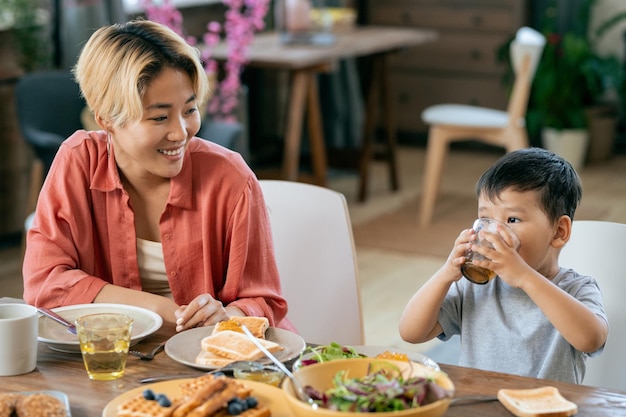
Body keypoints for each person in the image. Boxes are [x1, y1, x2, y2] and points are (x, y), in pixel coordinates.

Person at [22, 19, 294, 333]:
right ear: (107, 119)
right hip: (118, 357)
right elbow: (43, 284)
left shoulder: (231, 179)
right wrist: (156, 307)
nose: (181, 133)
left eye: (190, 110)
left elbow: (262, 300)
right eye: (160, 117)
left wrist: (227, 317)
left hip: (217, 356)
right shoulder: (78, 161)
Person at [399, 148, 608, 383]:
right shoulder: (475, 288)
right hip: (480, 406)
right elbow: (411, 332)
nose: (494, 232)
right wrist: (446, 273)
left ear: (559, 231)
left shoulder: (576, 288)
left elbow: (591, 339)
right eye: (486, 220)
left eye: (512, 220)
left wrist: (524, 277)